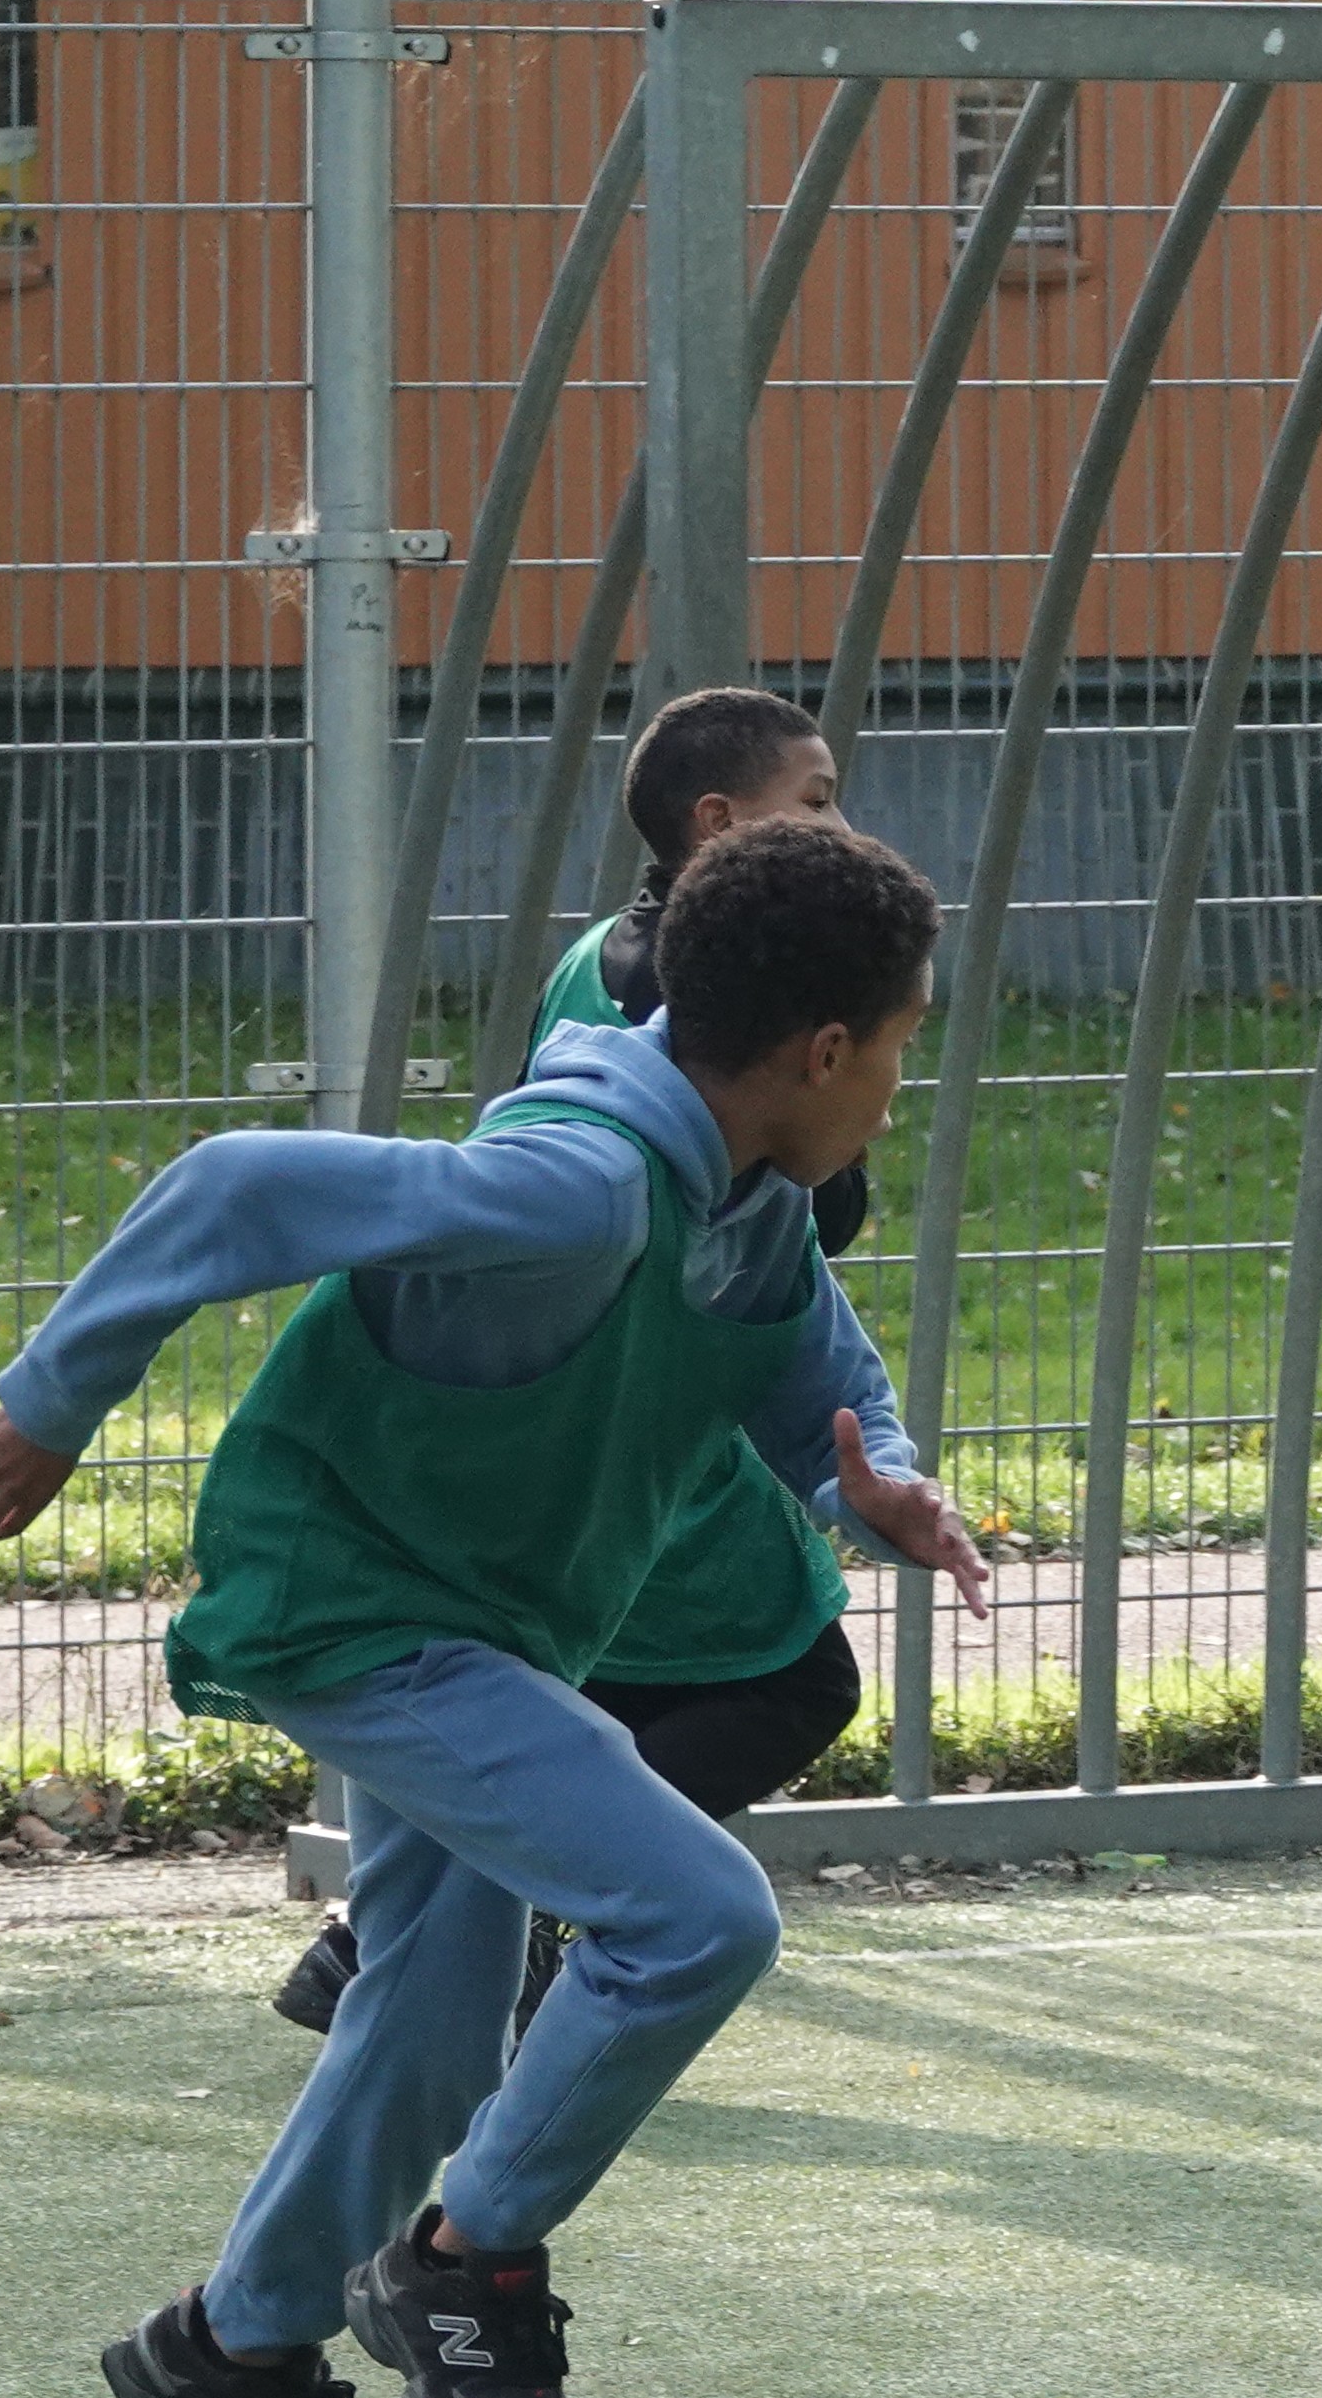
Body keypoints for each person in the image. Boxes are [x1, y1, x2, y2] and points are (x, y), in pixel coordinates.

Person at [0, 819, 990, 2398]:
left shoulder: (752, 1204)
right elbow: (236, 1184)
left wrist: (883, 1484)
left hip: (491, 1639)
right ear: (824, 1049)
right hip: (353, 1614)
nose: (899, 1090)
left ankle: (235, 2349)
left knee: (429, 2020)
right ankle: (462, 2263)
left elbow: (819, 1378)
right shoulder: (579, 1183)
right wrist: (51, 1404)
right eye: (905, 1047)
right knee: (697, 1917)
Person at [268, 682, 874, 2038]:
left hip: (625, 1386)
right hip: (652, 1403)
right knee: (788, 1677)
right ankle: (480, 1920)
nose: (842, 829)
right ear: (719, 823)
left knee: (587, 1682)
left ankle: (413, 1942)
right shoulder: (713, 1008)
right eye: (818, 802)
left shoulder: (605, 951)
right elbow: (802, 1199)